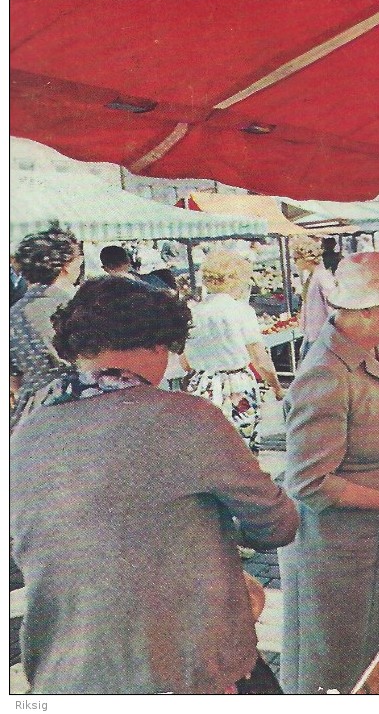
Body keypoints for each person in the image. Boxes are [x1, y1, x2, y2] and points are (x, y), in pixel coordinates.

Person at [10, 276, 299, 693]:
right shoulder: (188, 418)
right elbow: (277, 525)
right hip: (183, 669)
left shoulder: (27, 430)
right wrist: (216, 546)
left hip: (66, 673)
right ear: (157, 345)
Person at [278, 252, 379, 693]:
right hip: (340, 551)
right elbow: (309, 482)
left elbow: (371, 425)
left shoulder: (371, 347)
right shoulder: (325, 375)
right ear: (367, 310)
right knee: (341, 667)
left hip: (373, 540)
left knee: (374, 650)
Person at [181, 250, 285, 451]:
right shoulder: (241, 311)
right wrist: (276, 387)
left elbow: (185, 363)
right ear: (236, 280)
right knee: (242, 450)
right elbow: (260, 359)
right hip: (237, 386)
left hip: (201, 386)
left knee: (208, 450)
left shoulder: (191, 313)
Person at [9, 227, 84, 429]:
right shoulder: (75, 306)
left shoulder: (14, 312)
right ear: (65, 266)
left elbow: (13, 378)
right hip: (77, 402)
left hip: (30, 412)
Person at [291, 236, 336, 358]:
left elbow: (333, 307)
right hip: (311, 335)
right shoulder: (311, 277)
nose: (294, 262)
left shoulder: (322, 277)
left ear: (307, 257)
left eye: (296, 258)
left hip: (322, 337)